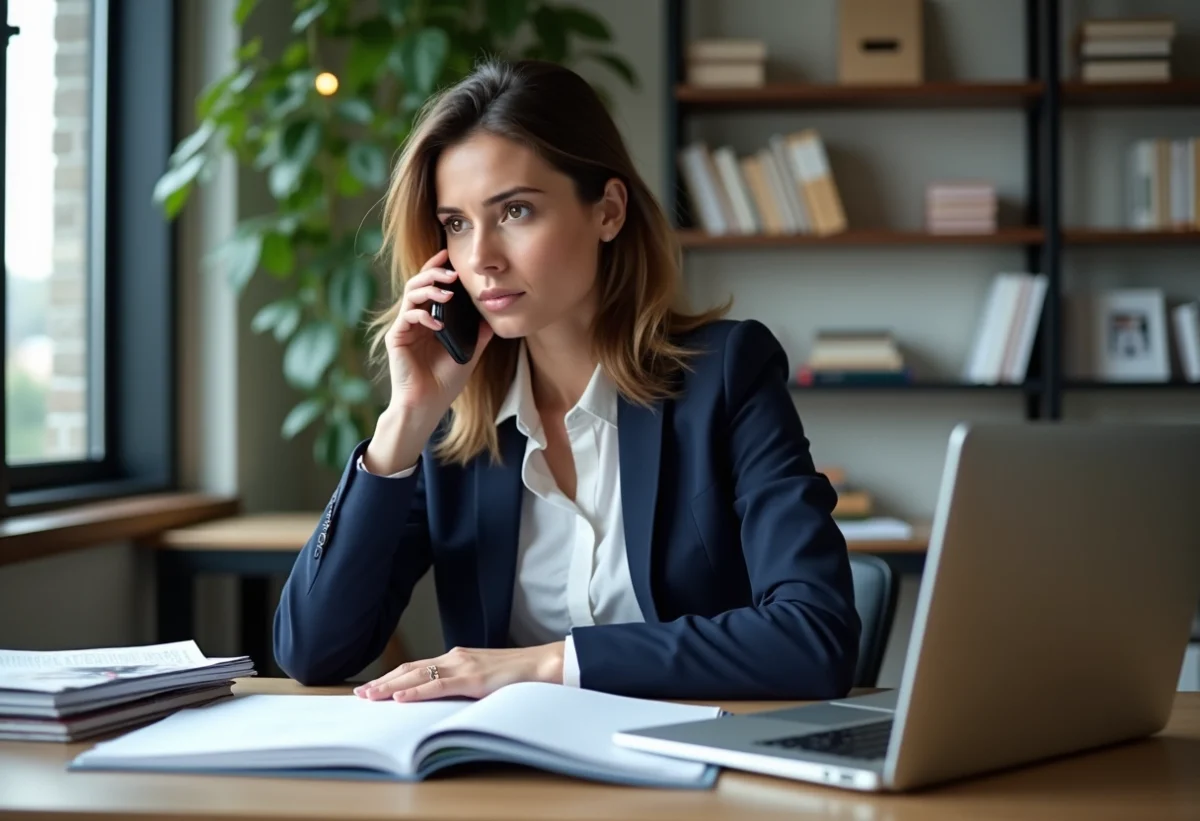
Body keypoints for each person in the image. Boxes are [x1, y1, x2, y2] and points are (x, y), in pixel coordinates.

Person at [273, 58, 860, 702]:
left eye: (516, 211)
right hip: (510, 782)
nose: (482, 258)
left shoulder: (726, 375)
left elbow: (814, 637)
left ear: (607, 211)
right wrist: (402, 424)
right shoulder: (449, 418)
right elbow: (314, 653)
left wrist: (542, 663)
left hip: (692, 780)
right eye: (457, 224)